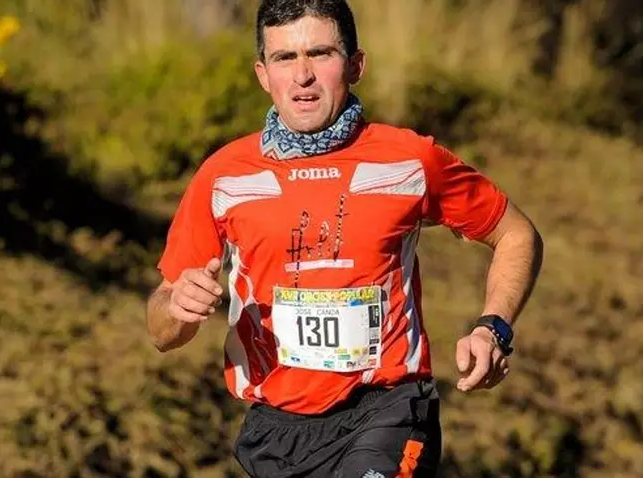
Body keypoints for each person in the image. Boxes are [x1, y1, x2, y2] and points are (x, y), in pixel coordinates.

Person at [146, 0, 544, 476]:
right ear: (262, 74)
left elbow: (516, 234)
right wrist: (176, 307)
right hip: (275, 431)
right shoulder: (224, 175)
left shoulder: (410, 160)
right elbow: (161, 330)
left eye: (321, 54)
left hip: (388, 412)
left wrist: (493, 328)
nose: (303, 76)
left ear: (356, 65)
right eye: (285, 58)